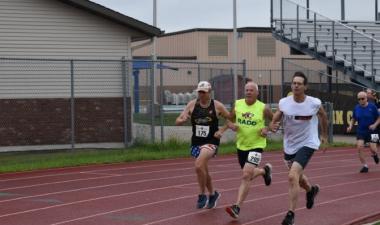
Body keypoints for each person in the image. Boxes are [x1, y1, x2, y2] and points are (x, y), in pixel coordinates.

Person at [269, 71, 328, 225]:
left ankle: (290, 214)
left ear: (305, 86)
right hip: (290, 145)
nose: (296, 85)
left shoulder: (314, 103)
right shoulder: (284, 102)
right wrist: (272, 126)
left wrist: (324, 136)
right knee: (299, 179)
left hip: (308, 142)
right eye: (294, 83)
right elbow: (275, 120)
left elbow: (323, 115)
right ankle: (310, 190)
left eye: (299, 83)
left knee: (292, 176)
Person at [217, 81, 273, 219]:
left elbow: (275, 121)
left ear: (257, 93)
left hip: (257, 145)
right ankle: (264, 171)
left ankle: (237, 207)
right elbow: (230, 120)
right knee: (247, 173)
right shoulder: (238, 104)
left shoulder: (263, 107)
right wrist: (227, 127)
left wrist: (267, 129)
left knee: (246, 175)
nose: (248, 92)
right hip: (241, 145)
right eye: (246, 90)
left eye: (251, 90)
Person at [175, 81, 230, 209]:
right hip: (196, 142)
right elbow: (178, 119)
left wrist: (221, 130)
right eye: (199, 92)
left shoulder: (217, 106)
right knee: (203, 169)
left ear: (209, 92)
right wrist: (181, 121)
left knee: (198, 165)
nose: (201, 94)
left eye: (203, 92)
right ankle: (212, 194)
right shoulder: (192, 105)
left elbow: (232, 119)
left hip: (211, 141)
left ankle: (201, 194)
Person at [347, 91, 380, 173]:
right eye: (359, 99)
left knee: (373, 149)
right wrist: (350, 126)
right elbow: (354, 118)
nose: (361, 100)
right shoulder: (356, 108)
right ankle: (365, 166)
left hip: (373, 131)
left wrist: (375, 125)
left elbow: (379, 118)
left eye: (362, 98)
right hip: (361, 130)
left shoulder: (373, 107)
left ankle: (375, 155)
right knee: (359, 147)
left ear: (366, 98)